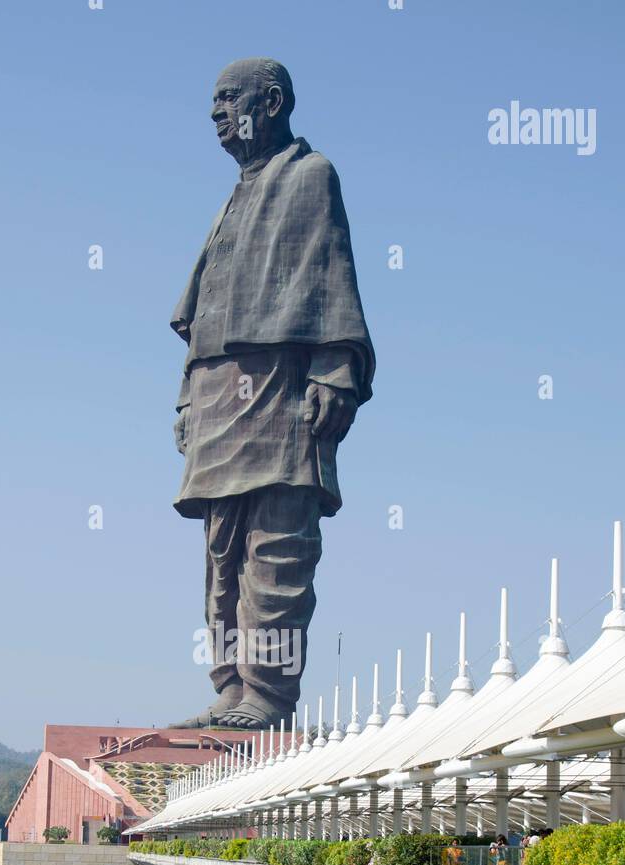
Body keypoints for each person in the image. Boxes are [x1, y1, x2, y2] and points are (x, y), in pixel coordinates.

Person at [170, 58, 375, 730]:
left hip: (280, 390)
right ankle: (230, 683)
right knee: (221, 555)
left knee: (277, 549)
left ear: (273, 100)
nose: (216, 112)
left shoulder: (308, 176)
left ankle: (268, 692)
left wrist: (333, 369)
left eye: (229, 97)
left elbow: (330, 274)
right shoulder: (234, 193)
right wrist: (184, 399)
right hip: (217, 393)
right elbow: (202, 308)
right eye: (214, 99)